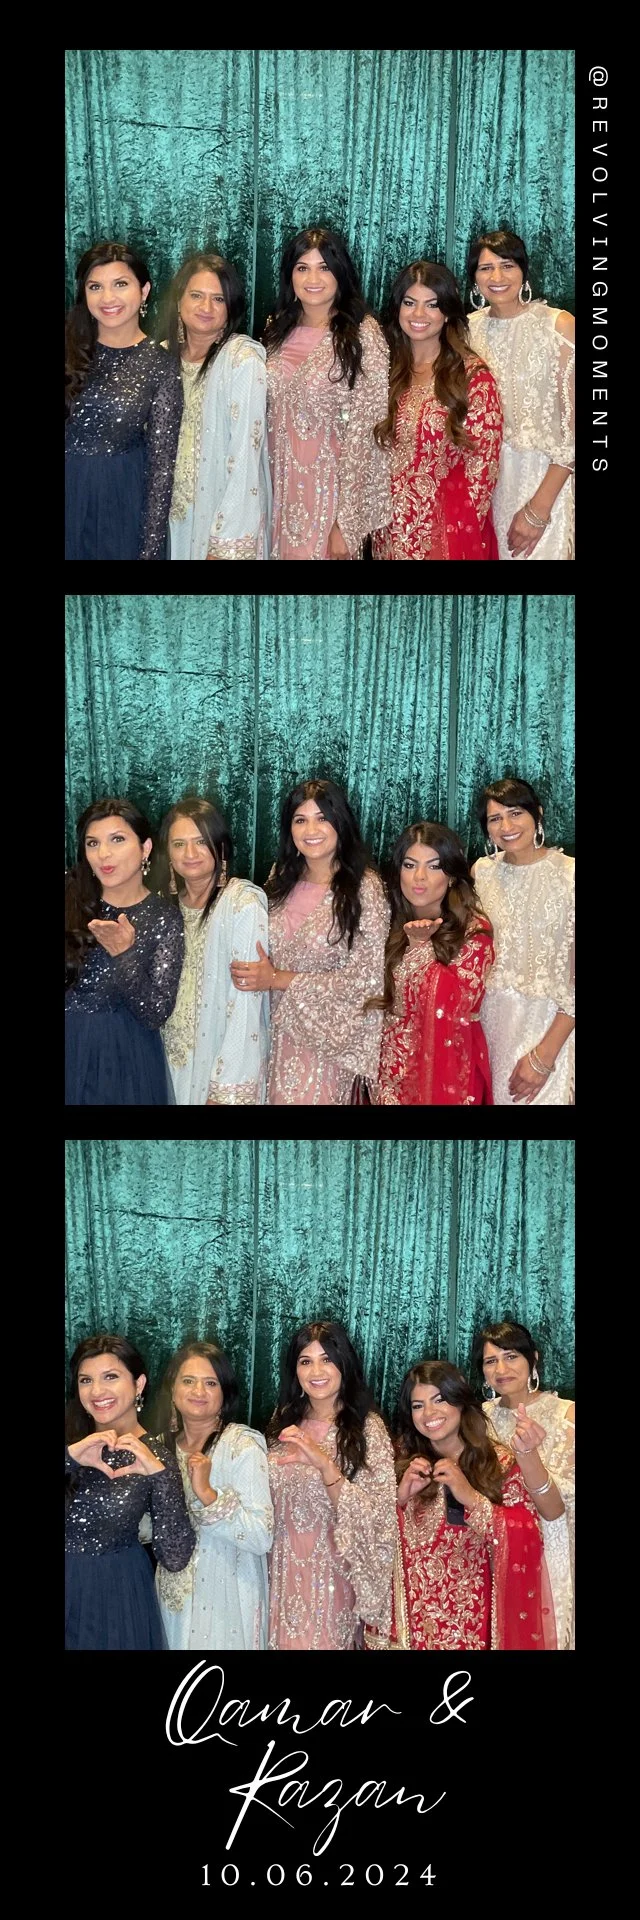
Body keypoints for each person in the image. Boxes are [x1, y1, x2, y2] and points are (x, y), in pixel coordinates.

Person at [366, 1360, 561, 1651]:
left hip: (473, 1626)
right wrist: (400, 1499)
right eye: (418, 1406)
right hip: (414, 1628)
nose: (429, 1414)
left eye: (439, 1400)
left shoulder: (498, 1464)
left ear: (460, 1401)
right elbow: (369, 1544)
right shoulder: (403, 1465)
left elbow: (529, 1534)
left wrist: (470, 1495)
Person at [230, 779, 388, 1103]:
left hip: (326, 1045)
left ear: (340, 823)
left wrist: (277, 979)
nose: (310, 829)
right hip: (270, 1035)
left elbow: (367, 979)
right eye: (300, 820)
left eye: (322, 818)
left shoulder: (364, 887)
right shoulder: (280, 877)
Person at [266, 1321, 396, 1649]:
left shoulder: (367, 1429)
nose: (316, 1371)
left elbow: (378, 1520)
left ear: (344, 1364)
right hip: (276, 1575)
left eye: (327, 1359)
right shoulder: (281, 1422)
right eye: (305, 1361)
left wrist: (325, 1465)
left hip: (332, 1580)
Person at [264, 226, 391, 558]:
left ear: (340, 274)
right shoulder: (275, 330)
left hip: (330, 500)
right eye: (302, 267)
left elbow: (369, 432)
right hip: (275, 492)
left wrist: (347, 525)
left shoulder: (363, 336)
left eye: (324, 267)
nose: (312, 278)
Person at [65, 1333, 195, 1650]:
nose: (96, 1391)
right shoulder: (69, 1438)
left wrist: (160, 1477)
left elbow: (175, 1558)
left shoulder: (156, 1456)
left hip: (114, 1597)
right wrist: (68, 1459)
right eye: (86, 1380)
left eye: (110, 1376)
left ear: (138, 1384)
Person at [372, 260, 502, 559]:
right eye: (409, 302)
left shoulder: (473, 378)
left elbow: (482, 472)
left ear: (447, 314)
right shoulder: (385, 370)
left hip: (443, 538)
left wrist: (445, 543)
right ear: (398, 308)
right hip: (386, 532)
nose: (419, 314)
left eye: (432, 305)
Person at [65, 241, 183, 560]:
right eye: (95, 287)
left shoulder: (162, 365)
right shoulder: (68, 346)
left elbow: (161, 470)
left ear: (143, 291)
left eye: (120, 284)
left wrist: (150, 549)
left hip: (119, 502)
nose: (108, 298)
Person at [152, 1343, 273, 1650]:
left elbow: (261, 1536)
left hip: (228, 1593)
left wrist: (208, 1495)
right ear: (173, 1388)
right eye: (188, 1380)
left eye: (210, 1383)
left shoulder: (241, 1446)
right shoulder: (158, 1448)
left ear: (224, 1393)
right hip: (172, 1593)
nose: (198, 1391)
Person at [65, 797, 183, 1105]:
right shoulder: (71, 896)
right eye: (93, 843)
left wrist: (124, 955)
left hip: (124, 1059)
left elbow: (155, 1013)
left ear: (145, 848)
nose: (103, 853)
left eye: (117, 839)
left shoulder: (163, 917)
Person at [467, 229, 574, 560]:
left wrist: (538, 510)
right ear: (474, 278)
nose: (497, 277)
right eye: (486, 268)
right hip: (485, 489)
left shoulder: (558, 325)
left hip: (544, 482)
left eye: (507, 265)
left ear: (524, 272)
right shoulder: (466, 330)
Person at [371, 822, 494, 1103]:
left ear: (451, 875)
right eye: (410, 865)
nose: (420, 877)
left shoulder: (473, 931)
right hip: (384, 1072)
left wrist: (421, 948)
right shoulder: (383, 922)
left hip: (444, 1071)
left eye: (434, 866)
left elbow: (460, 1004)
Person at [158, 797, 269, 1103]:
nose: (189, 853)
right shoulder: (166, 909)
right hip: (168, 1061)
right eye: (179, 844)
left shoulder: (242, 904)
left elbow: (246, 1002)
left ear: (220, 848)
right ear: (168, 853)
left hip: (219, 1065)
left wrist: (226, 1087)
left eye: (200, 842)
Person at [160, 252, 271, 558]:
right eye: (196, 295)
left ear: (230, 307)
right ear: (179, 300)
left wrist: (226, 541)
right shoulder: (162, 357)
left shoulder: (241, 361)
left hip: (216, 514)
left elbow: (245, 457)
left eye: (218, 299)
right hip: (166, 518)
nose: (206, 307)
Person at [472, 778, 574, 1104]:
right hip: (488, 1027)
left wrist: (544, 1055)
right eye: (494, 818)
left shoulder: (570, 875)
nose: (506, 826)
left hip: (547, 1028)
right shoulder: (481, 873)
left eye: (515, 813)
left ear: (537, 815)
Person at [473, 1320, 574, 1649]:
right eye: (491, 1361)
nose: (501, 1368)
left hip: (548, 1556)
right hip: (487, 1555)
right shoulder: (476, 1420)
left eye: (511, 1356)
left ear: (534, 1360)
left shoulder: (566, 1416)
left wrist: (529, 1456)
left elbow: (559, 1508)